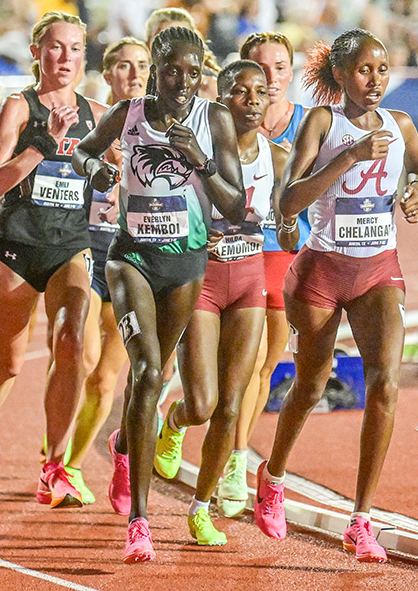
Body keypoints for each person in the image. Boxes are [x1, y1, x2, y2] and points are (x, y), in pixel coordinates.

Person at [252, 28, 418, 565]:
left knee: (386, 385)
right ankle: (274, 476)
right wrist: (348, 158)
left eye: (381, 70)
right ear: (338, 74)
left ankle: (361, 520)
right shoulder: (321, 122)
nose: (373, 81)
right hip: (322, 270)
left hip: (379, 269)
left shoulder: (400, 125)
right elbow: (288, 202)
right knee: (309, 385)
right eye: (361, 70)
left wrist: (414, 190)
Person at [71, 26, 245, 563]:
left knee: (158, 371)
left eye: (194, 74)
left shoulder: (213, 119)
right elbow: (82, 152)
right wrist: (96, 168)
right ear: (154, 68)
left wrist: (202, 161)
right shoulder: (128, 114)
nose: (183, 83)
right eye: (173, 70)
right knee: (146, 372)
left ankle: (130, 439)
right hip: (131, 260)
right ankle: (140, 520)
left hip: (187, 264)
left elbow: (235, 205)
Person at [0, 12, 108, 510]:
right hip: (18, 248)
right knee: (7, 361)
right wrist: (41, 146)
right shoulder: (18, 108)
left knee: (70, 342)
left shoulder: (97, 113)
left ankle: (55, 466)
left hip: (72, 244)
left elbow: (124, 177)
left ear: (84, 58)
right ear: (36, 53)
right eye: (54, 47)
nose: (64, 57)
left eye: (74, 48)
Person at [155, 59, 295, 546]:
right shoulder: (195, 146)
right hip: (201, 279)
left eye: (260, 92)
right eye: (241, 92)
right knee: (202, 403)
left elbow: (289, 220)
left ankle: (200, 507)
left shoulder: (278, 158)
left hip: (249, 276)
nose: (253, 101)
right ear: (223, 99)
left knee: (232, 406)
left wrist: (292, 226)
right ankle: (174, 420)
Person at [220, 32, 311, 518]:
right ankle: (215, 443)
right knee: (237, 364)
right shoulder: (224, 122)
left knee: (264, 364)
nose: (271, 77)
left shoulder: (307, 123)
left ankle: (236, 458)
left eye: (280, 66)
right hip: (236, 251)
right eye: (261, 67)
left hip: (288, 254)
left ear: (291, 71)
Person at [66, 37, 151, 503]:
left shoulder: (157, 124)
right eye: (123, 66)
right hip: (85, 249)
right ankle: (59, 458)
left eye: (142, 65)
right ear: (106, 73)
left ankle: (76, 462)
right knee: (82, 358)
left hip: (133, 258)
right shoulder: (91, 121)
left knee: (106, 378)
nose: (134, 74)